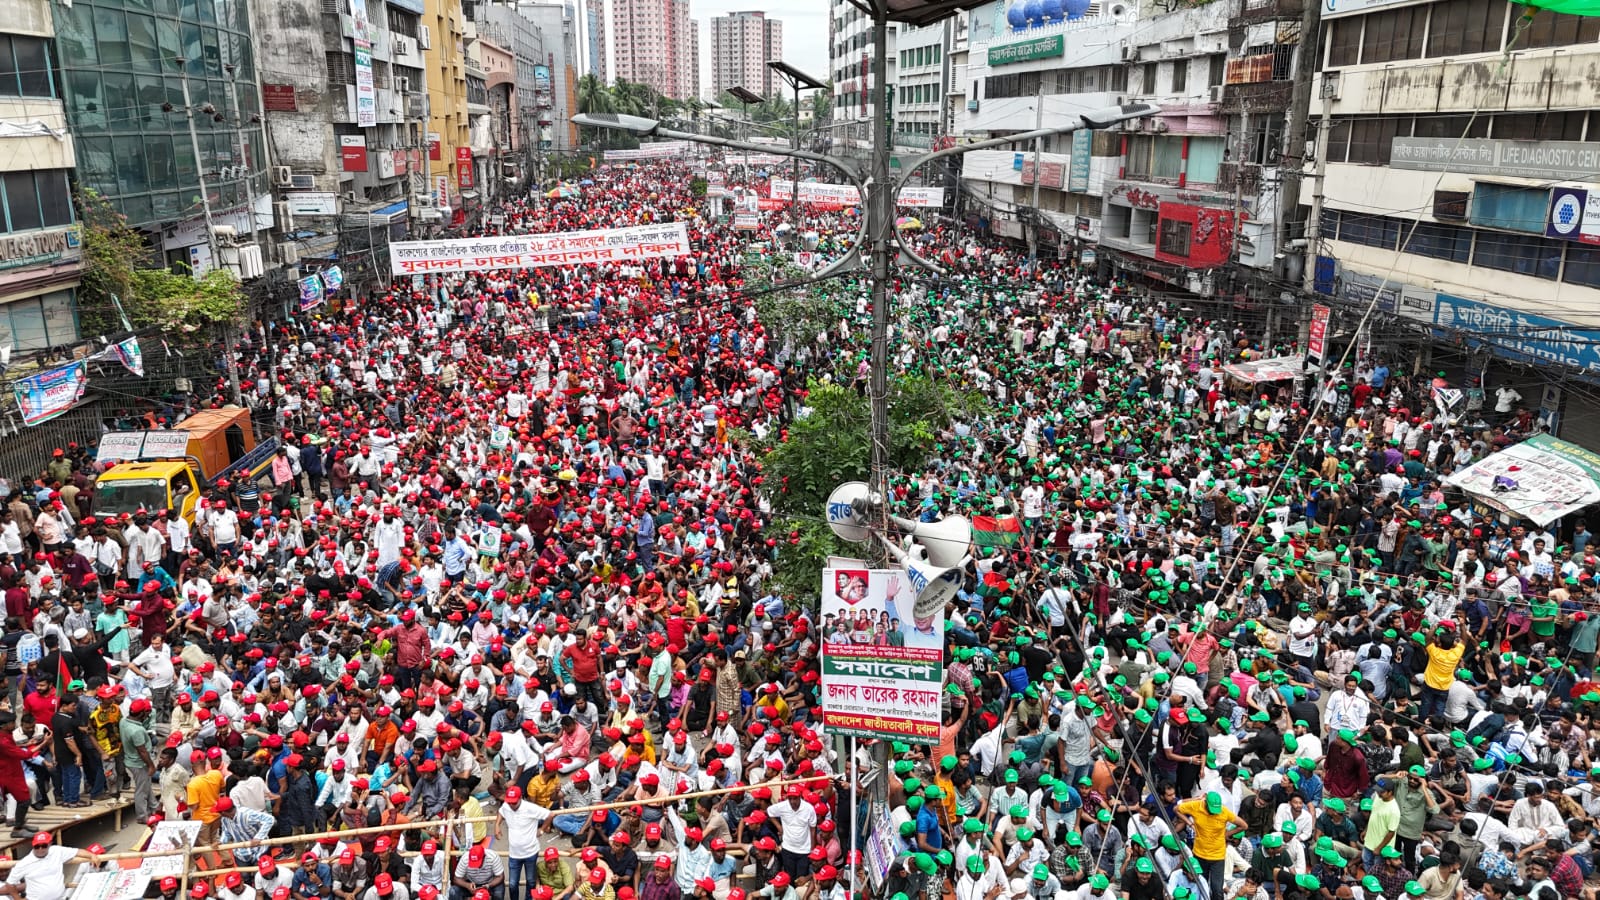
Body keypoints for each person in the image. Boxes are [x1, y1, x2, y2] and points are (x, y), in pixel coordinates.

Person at [0, 832, 99, 900]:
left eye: (44, 846)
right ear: (33, 845)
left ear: (50, 844)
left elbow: (77, 851)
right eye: (37, 846)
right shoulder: (24, 863)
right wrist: (18, 899)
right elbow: (9, 883)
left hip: (60, 897)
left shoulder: (57, 851)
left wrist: (91, 855)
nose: (40, 849)